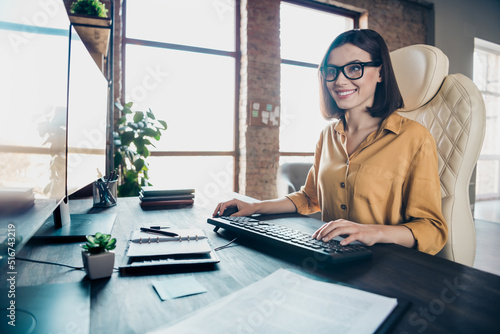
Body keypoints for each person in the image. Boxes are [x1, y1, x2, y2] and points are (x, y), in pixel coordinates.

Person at [213, 29, 447, 255]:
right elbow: (308, 198)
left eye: (354, 68)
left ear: (380, 72)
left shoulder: (414, 138)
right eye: (331, 71)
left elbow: (432, 229)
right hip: (333, 257)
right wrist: (254, 207)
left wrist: (373, 232)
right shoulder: (328, 136)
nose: (340, 81)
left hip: (387, 264)